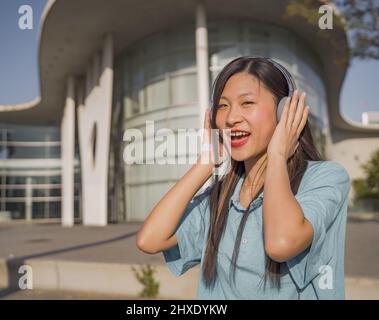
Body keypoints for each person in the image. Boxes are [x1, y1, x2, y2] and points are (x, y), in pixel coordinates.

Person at [136, 56, 351, 299]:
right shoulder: (221, 196)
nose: (230, 118)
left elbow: (281, 243)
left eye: (247, 102)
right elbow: (150, 240)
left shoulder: (326, 178)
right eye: (223, 106)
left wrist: (278, 155)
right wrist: (205, 164)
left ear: (284, 111)